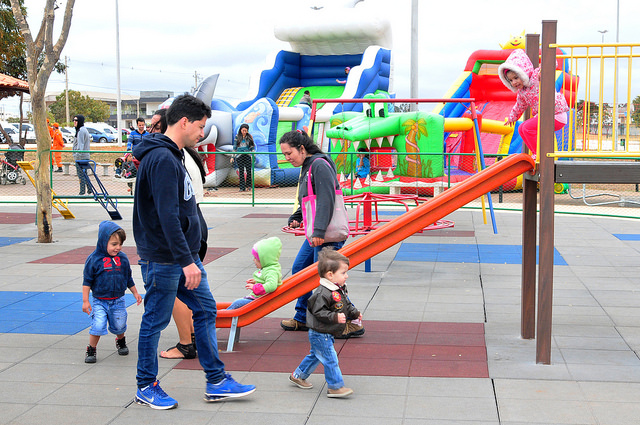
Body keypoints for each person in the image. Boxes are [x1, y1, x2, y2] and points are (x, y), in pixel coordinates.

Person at [132, 94, 255, 410]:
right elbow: (167, 214)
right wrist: (187, 259)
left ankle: (216, 381)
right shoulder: (161, 159)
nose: (202, 133)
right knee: (155, 321)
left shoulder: (173, 155)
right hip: (165, 259)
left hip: (182, 257)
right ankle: (146, 385)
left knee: (206, 310)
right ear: (184, 122)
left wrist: (191, 254)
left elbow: (184, 208)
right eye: (200, 127)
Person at [279, 130, 362, 338]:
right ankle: (301, 317)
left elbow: (326, 199)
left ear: (302, 148)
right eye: (285, 154)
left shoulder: (319, 165)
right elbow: (308, 198)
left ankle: (349, 320)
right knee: (301, 269)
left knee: (327, 278)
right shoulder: (308, 167)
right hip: (318, 231)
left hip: (326, 233)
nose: (287, 158)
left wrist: (319, 231)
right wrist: (297, 215)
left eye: (289, 153)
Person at [153, 107, 208, 360]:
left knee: (178, 288)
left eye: (155, 126)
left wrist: (184, 257)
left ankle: (188, 342)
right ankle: (197, 343)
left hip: (187, 226)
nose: (150, 131)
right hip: (194, 222)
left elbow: (169, 212)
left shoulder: (171, 157)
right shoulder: (182, 155)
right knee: (194, 294)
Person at [289, 248, 361, 398]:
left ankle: (298, 375)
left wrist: (355, 313)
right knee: (330, 358)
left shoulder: (338, 289)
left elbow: (346, 304)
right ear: (330, 275)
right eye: (343, 273)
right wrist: (335, 317)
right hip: (319, 332)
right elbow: (318, 312)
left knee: (316, 355)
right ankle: (335, 387)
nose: (346, 276)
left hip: (325, 331)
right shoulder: (322, 293)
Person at [82, 221, 142, 363]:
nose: (118, 248)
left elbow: (128, 277)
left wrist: (135, 292)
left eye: (120, 244)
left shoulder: (123, 258)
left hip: (118, 300)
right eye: (114, 244)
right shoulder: (94, 259)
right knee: (98, 324)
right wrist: (85, 301)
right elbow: (87, 281)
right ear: (103, 242)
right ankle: (91, 348)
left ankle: (121, 341)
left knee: (119, 324)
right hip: (100, 300)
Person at [498, 49, 569, 157]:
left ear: (523, 73)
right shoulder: (522, 93)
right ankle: (536, 153)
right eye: (511, 80)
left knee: (527, 127)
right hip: (545, 116)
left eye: (516, 78)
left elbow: (551, 64)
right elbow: (519, 106)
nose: (514, 82)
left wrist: (545, 64)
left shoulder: (536, 77)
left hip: (555, 114)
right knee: (521, 128)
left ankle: (538, 153)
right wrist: (512, 117)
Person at [226, 237, 283, 310]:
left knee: (238, 303)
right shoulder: (268, 268)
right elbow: (266, 280)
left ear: (264, 259)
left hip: (260, 300)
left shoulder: (271, 271)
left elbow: (272, 285)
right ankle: (222, 314)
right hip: (258, 299)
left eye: (256, 258)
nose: (254, 260)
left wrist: (255, 287)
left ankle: (222, 317)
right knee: (237, 303)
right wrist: (256, 281)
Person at [232, 123, 255, 192]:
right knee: (241, 171)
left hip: (247, 155)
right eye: (243, 130)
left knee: (248, 170)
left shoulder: (249, 137)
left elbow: (252, 147)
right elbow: (235, 147)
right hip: (239, 156)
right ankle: (242, 187)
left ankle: (249, 185)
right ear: (240, 130)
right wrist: (233, 156)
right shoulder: (237, 137)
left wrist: (253, 154)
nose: (244, 132)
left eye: (245, 130)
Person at [73, 114, 92, 195]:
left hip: (81, 157)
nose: (74, 122)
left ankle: (82, 191)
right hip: (84, 155)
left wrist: (77, 154)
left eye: (76, 120)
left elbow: (80, 145)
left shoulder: (81, 131)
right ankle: (89, 189)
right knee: (85, 174)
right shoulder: (83, 130)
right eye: (73, 120)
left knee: (81, 174)